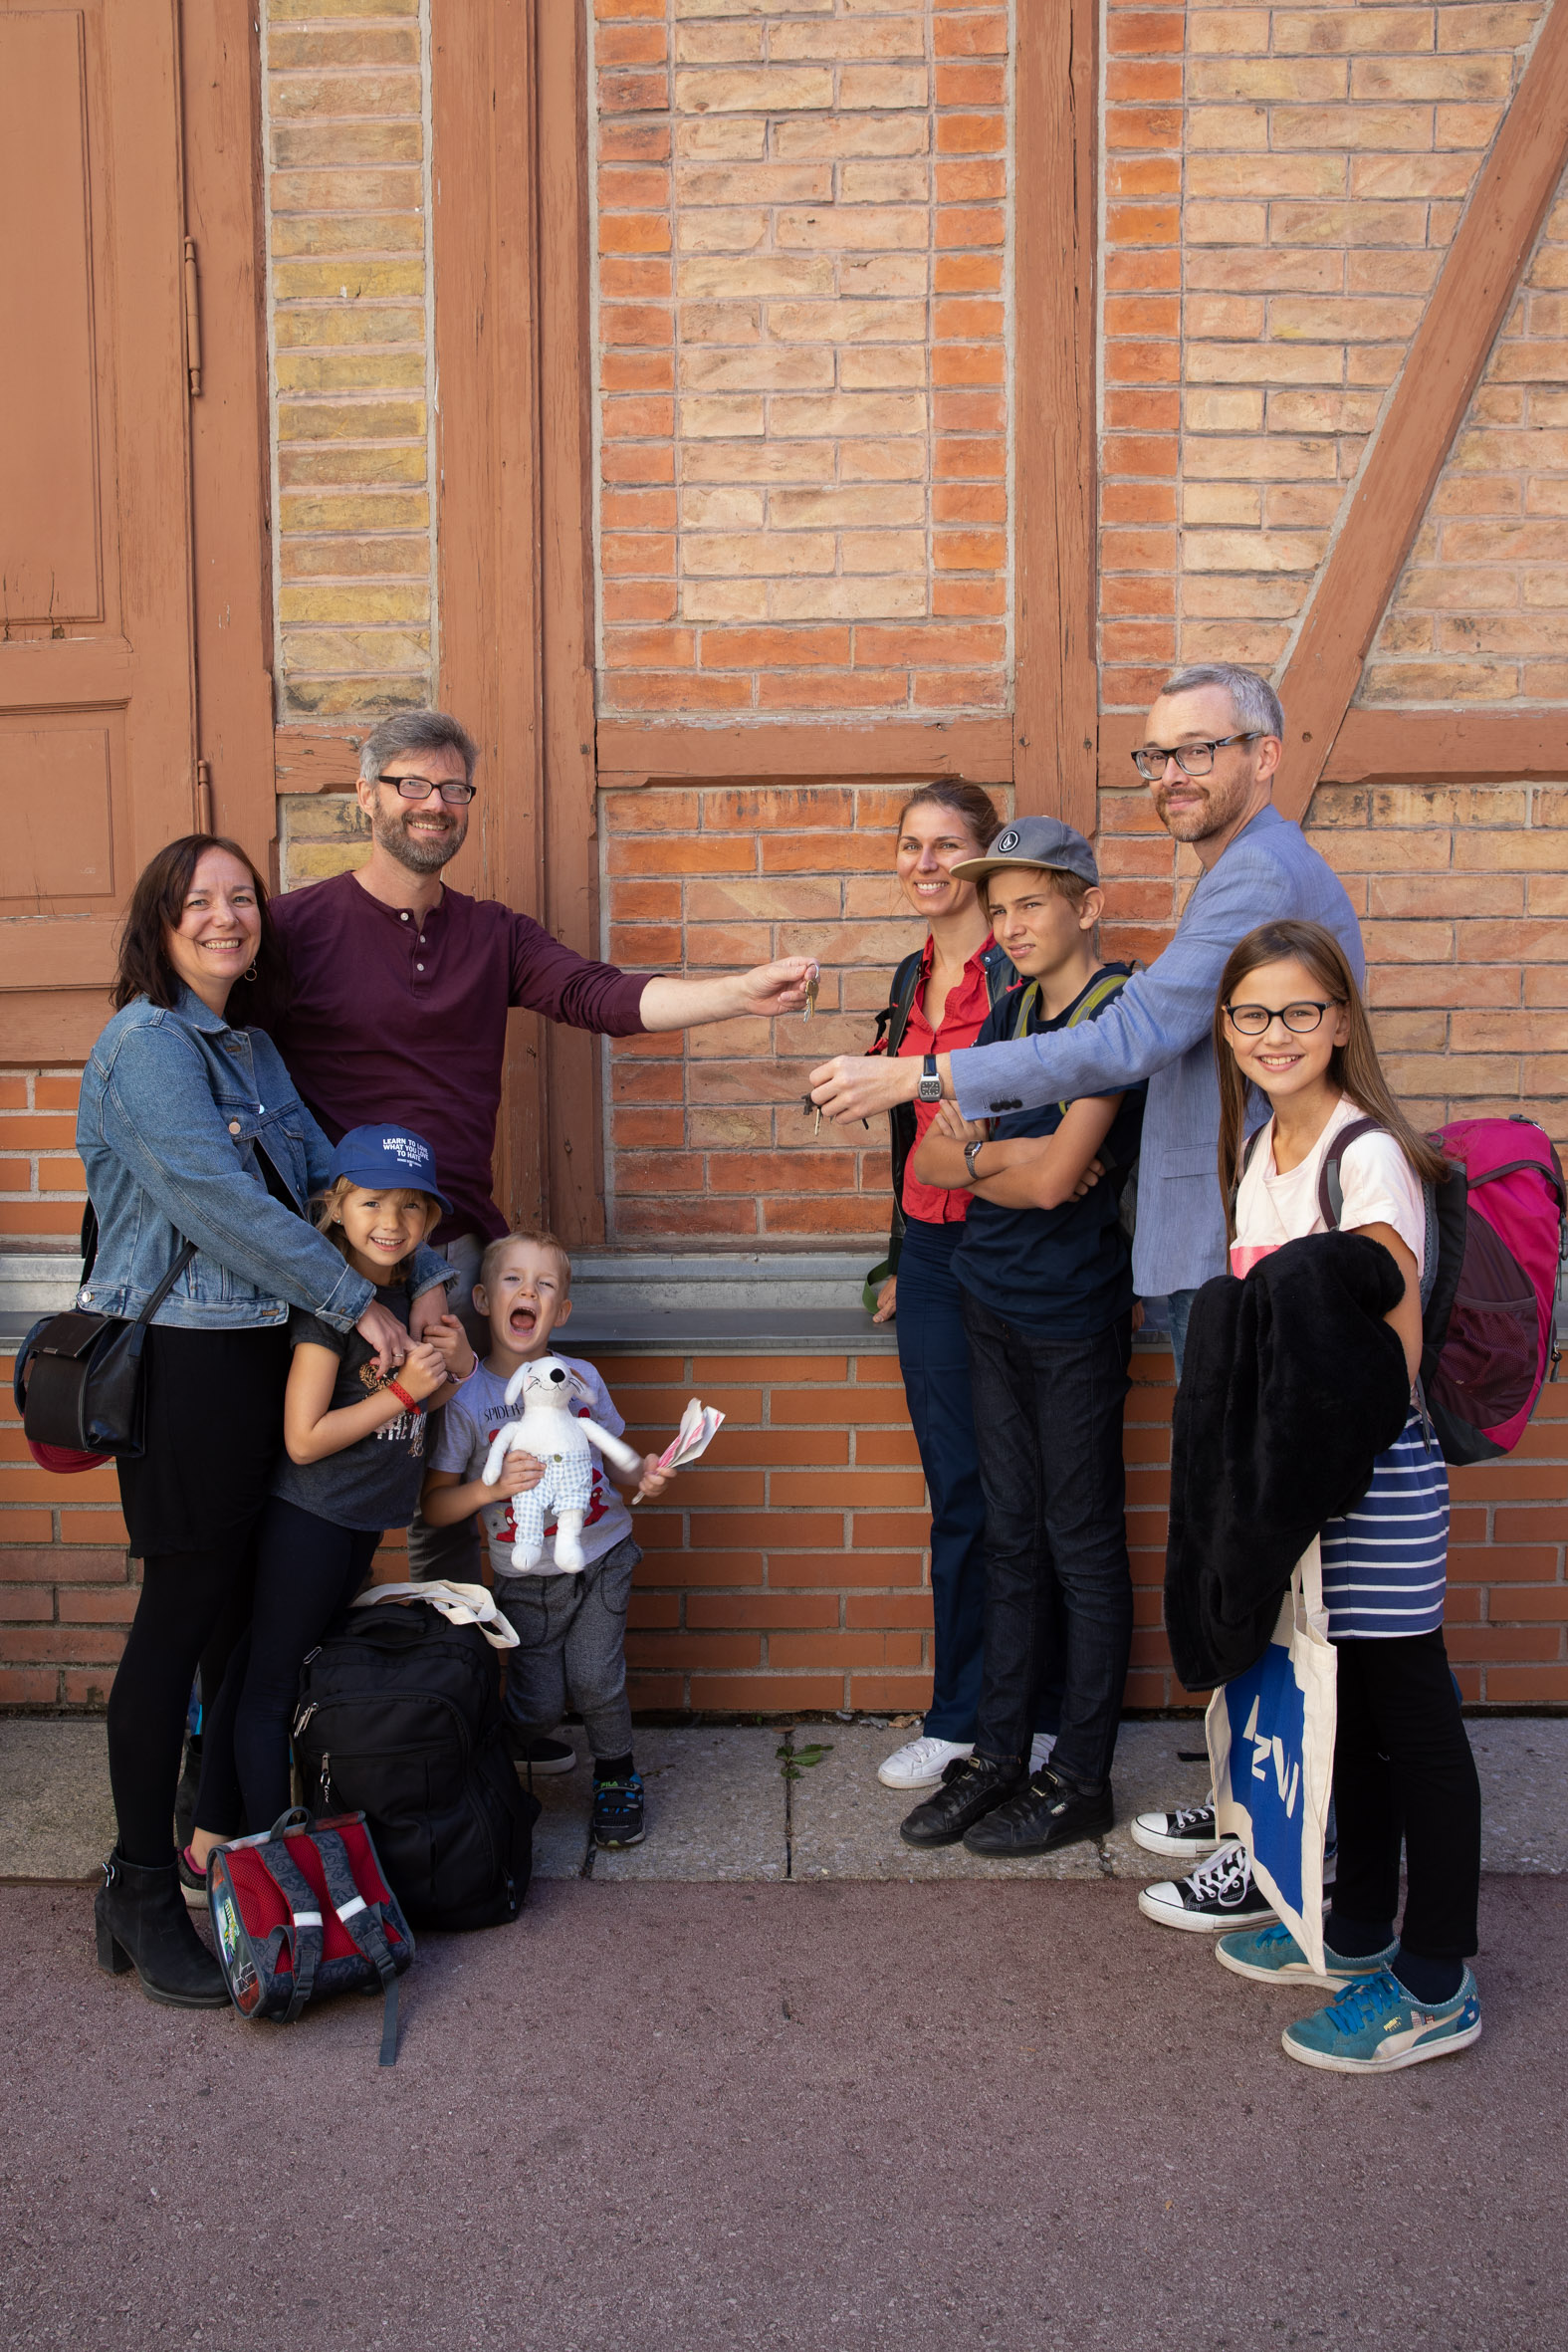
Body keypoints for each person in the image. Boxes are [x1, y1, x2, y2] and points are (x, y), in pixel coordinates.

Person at [808, 663, 1365, 1898]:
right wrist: (971, 1125)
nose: (1173, 774)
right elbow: (999, 1153)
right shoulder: (1233, 880)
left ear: (1265, 756)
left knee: (1252, 1563)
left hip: (1238, 1272)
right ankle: (1231, 1810)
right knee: (1222, 1556)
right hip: (1210, 1254)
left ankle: (1270, 1837)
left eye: (1198, 751)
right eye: (1155, 756)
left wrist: (929, 1083)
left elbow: (1110, 1069)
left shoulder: (1258, 881)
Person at [265, 707, 814, 1576]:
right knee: (324, 1470)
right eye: (411, 783)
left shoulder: (495, 934)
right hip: (339, 1248)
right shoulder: (292, 927)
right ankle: (301, 1689)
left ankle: (442, 1687)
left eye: (452, 788)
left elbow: (600, 996)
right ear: (365, 796)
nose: (433, 803)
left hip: (455, 1232)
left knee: (449, 1469)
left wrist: (738, 994)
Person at [77, 836, 450, 2008]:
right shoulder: (146, 1045)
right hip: (180, 1363)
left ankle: (208, 1844)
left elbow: (322, 1191)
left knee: (236, 1620)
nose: (227, 917)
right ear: (162, 920)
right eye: (201, 901)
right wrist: (356, 1305)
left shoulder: (255, 1048)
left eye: (242, 899)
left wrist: (424, 1265)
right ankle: (139, 1886)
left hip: (255, 1359)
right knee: (179, 1617)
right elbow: (217, 1198)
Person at [1162, 920, 1480, 2073]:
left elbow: (1386, 1356)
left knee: (1413, 1727)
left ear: (1341, 1019)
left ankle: (1439, 1977)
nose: (1276, 1033)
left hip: (1373, 1484)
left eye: (1301, 1011)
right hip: (1297, 1488)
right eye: (1252, 1014)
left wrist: (1293, 1475)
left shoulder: (1366, 1154)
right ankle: (1353, 1933)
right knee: (1346, 1726)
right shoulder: (1263, 1148)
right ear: (1229, 1030)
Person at [892, 819, 1144, 1858]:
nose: (1013, 924)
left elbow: (1042, 1179)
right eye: (1000, 909)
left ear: (1087, 903)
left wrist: (1005, 1153)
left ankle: (1080, 1773)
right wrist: (1019, 1156)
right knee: (1007, 1529)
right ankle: (999, 1755)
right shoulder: (1002, 1014)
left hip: (1072, 1315)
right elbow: (937, 1165)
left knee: (1078, 1542)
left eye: (1032, 902)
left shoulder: (1113, 1010)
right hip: (984, 1294)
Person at [179, 1127, 476, 1866]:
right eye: (372, 1201)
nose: (392, 1221)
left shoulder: (409, 1295)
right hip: (307, 1516)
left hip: (363, 1518)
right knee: (269, 1686)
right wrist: (404, 1391)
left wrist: (458, 1371)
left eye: (412, 1207)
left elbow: (418, 1407)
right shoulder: (333, 1308)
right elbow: (304, 1437)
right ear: (335, 1208)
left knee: (275, 1670)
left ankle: (217, 1845)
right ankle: (279, 1858)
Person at [864, 781, 1055, 1794]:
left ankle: (1051, 1714)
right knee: (962, 1488)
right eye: (909, 845)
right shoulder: (907, 975)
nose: (925, 863)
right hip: (935, 1258)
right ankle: (960, 1716)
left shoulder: (1020, 973)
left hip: (1017, 1241)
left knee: (1038, 1485)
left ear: (982, 862)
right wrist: (899, 1251)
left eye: (947, 846)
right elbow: (906, 1133)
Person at [421, 1231, 678, 1851]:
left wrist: (643, 1473)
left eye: (544, 1284)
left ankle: (617, 1777)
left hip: (602, 1554)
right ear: (482, 1299)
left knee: (595, 1678)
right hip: (524, 1576)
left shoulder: (580, 1377)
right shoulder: (469, 1401)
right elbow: (434, 1506)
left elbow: (615, 1460)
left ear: (559, 1312)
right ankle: (502, 1753)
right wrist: (489, 1490)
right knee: (536, 1705)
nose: (528, 1291)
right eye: (513, 1279)